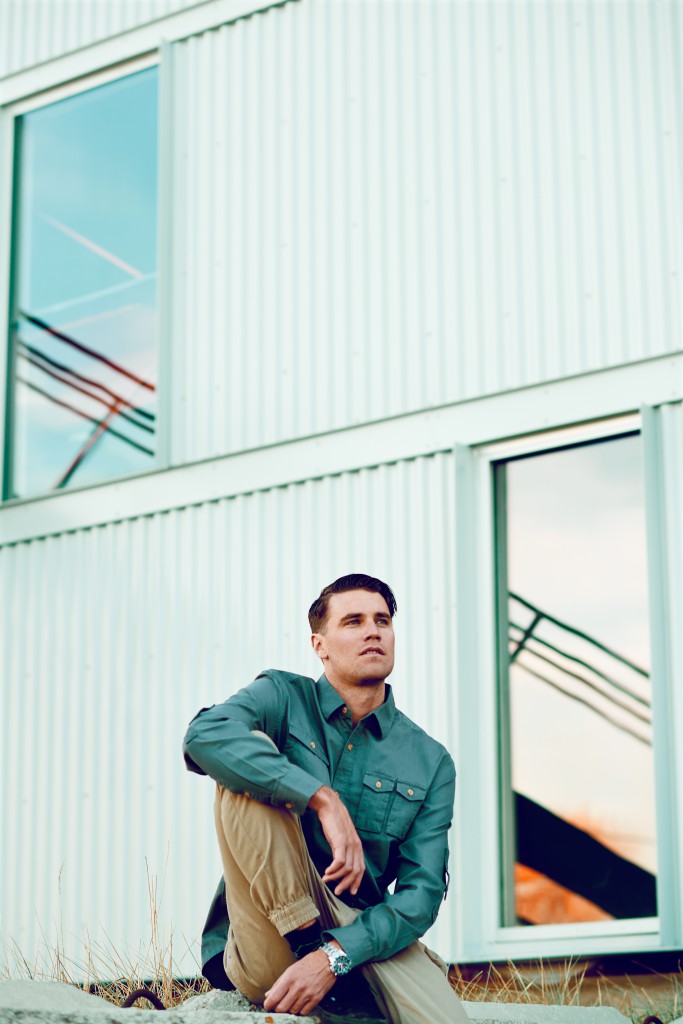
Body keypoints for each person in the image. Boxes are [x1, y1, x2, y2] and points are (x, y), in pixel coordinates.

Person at [183, 573, 468, 1023]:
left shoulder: (430, 760)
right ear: (320, 645)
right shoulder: (281, 696)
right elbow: (205, 735)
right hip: (274, 928)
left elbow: (422, 894)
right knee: (245, 767)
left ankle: (330, 967)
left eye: (383, 620)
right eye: (353, 621)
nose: (373, 631)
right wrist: (320, 799)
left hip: (361, 934)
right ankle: (308, 948)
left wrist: (336, 955)